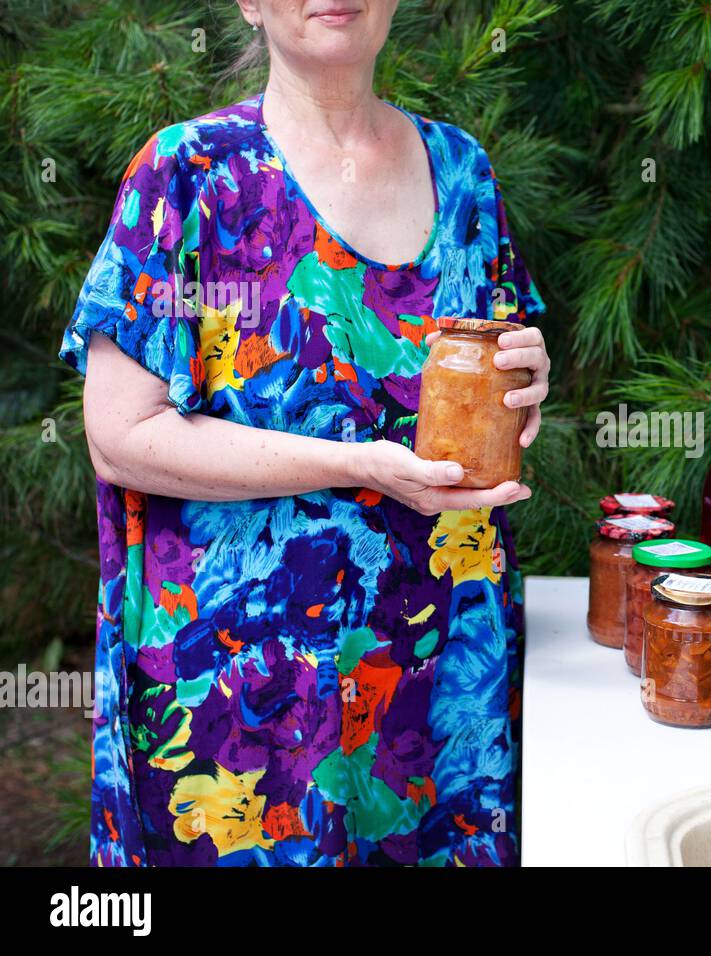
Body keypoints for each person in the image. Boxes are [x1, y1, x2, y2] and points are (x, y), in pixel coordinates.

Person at [60, 0, 550, 866]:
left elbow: (486, 397)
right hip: (243, 712)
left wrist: (528, 383)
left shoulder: (464, 171)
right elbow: (121, 435)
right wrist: (354, 465)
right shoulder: (187, 175)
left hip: (439, 683)